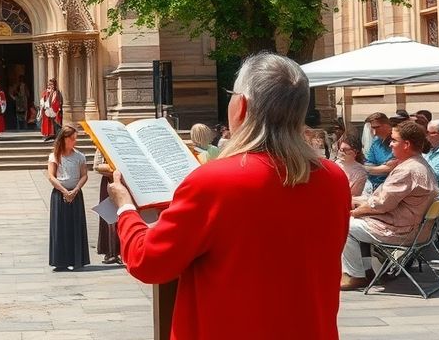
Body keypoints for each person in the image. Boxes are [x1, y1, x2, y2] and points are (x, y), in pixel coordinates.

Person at [108, 52, 350, 338]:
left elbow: (148, 262)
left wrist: (125, 208)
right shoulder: (334, 178)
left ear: (242, 106)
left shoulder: (215, 181)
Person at [341, 121, 439, 290]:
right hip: (413, 228)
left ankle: (355, 275)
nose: (390, 144)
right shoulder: (418, 164)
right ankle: (368, 271)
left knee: (342, 225)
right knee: (354, 219)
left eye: (394, 140)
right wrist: (358, 201)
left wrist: (354, 212)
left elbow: (381, 204)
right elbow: (383, 199)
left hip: (400, 230)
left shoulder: (408, 169)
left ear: (406, 144)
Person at [47, 125, 89, 271]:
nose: (74, 141)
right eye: (72, 139)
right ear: (64, 139)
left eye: (75, 139)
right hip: (60, 194)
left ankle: (77, 259)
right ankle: (60, 261)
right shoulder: (54, 156)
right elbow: (51, 176)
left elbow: (84, 175)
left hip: (76, 194)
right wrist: (64, 191)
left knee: (75, 226)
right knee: (60, 227)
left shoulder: (80, 156)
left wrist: (76, 189)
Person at [92, 150, 122, 265]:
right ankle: (110, 251)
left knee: (123, 215)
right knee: (109, 217)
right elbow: (97, 166)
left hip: (123, 182)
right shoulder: (101, 147)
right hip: (108, 183)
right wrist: (112, 170)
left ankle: (121, 251)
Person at [362, 113, 395, 189]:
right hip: (373, 185)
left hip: (391, 186)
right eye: (372, 128)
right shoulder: (376, 141)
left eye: (376, 127)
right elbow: (369, 162)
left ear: (387, 125)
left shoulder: (396, 140)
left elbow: (389, 168)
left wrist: (361, 168)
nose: (374, 132)